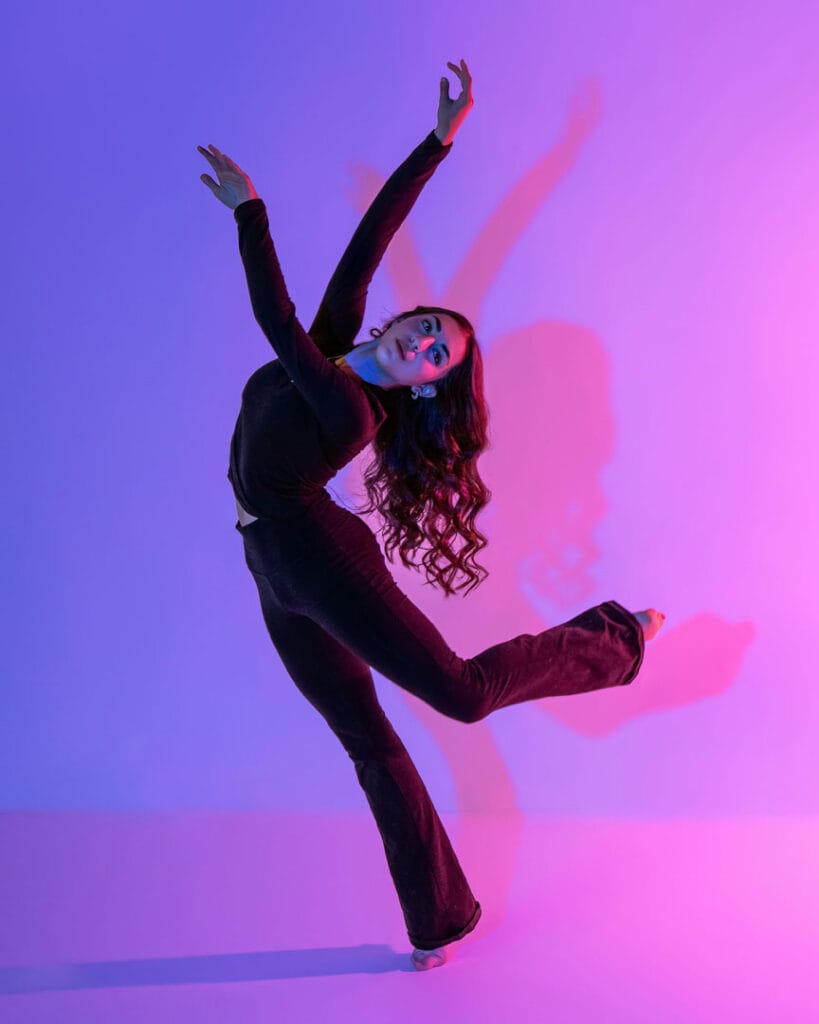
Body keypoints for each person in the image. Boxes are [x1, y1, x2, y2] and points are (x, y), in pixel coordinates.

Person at [198, 59, 665, 972]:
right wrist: (439, 141)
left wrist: (251, 213)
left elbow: (273, 320)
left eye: (438, 359)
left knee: (459, 693)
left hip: (320, 559)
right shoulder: (343, 342)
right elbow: (370, 241)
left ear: (422, 385)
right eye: (429, 331)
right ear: (403, 323)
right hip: (271, 575)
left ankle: (617, 639)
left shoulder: (347, 406)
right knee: (368, 743)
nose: (426, 346)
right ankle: (441, 920)